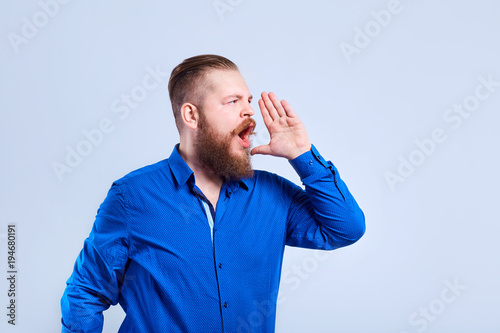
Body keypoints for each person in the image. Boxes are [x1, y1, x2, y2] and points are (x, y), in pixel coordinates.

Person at [60, 54, 366, 333]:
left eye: (248, 99)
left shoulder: (271, 195)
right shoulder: (132, 197)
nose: (250, 111)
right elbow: (86, 292)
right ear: (191, 116)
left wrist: (302, 155)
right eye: (232, 101)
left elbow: (345, 229)